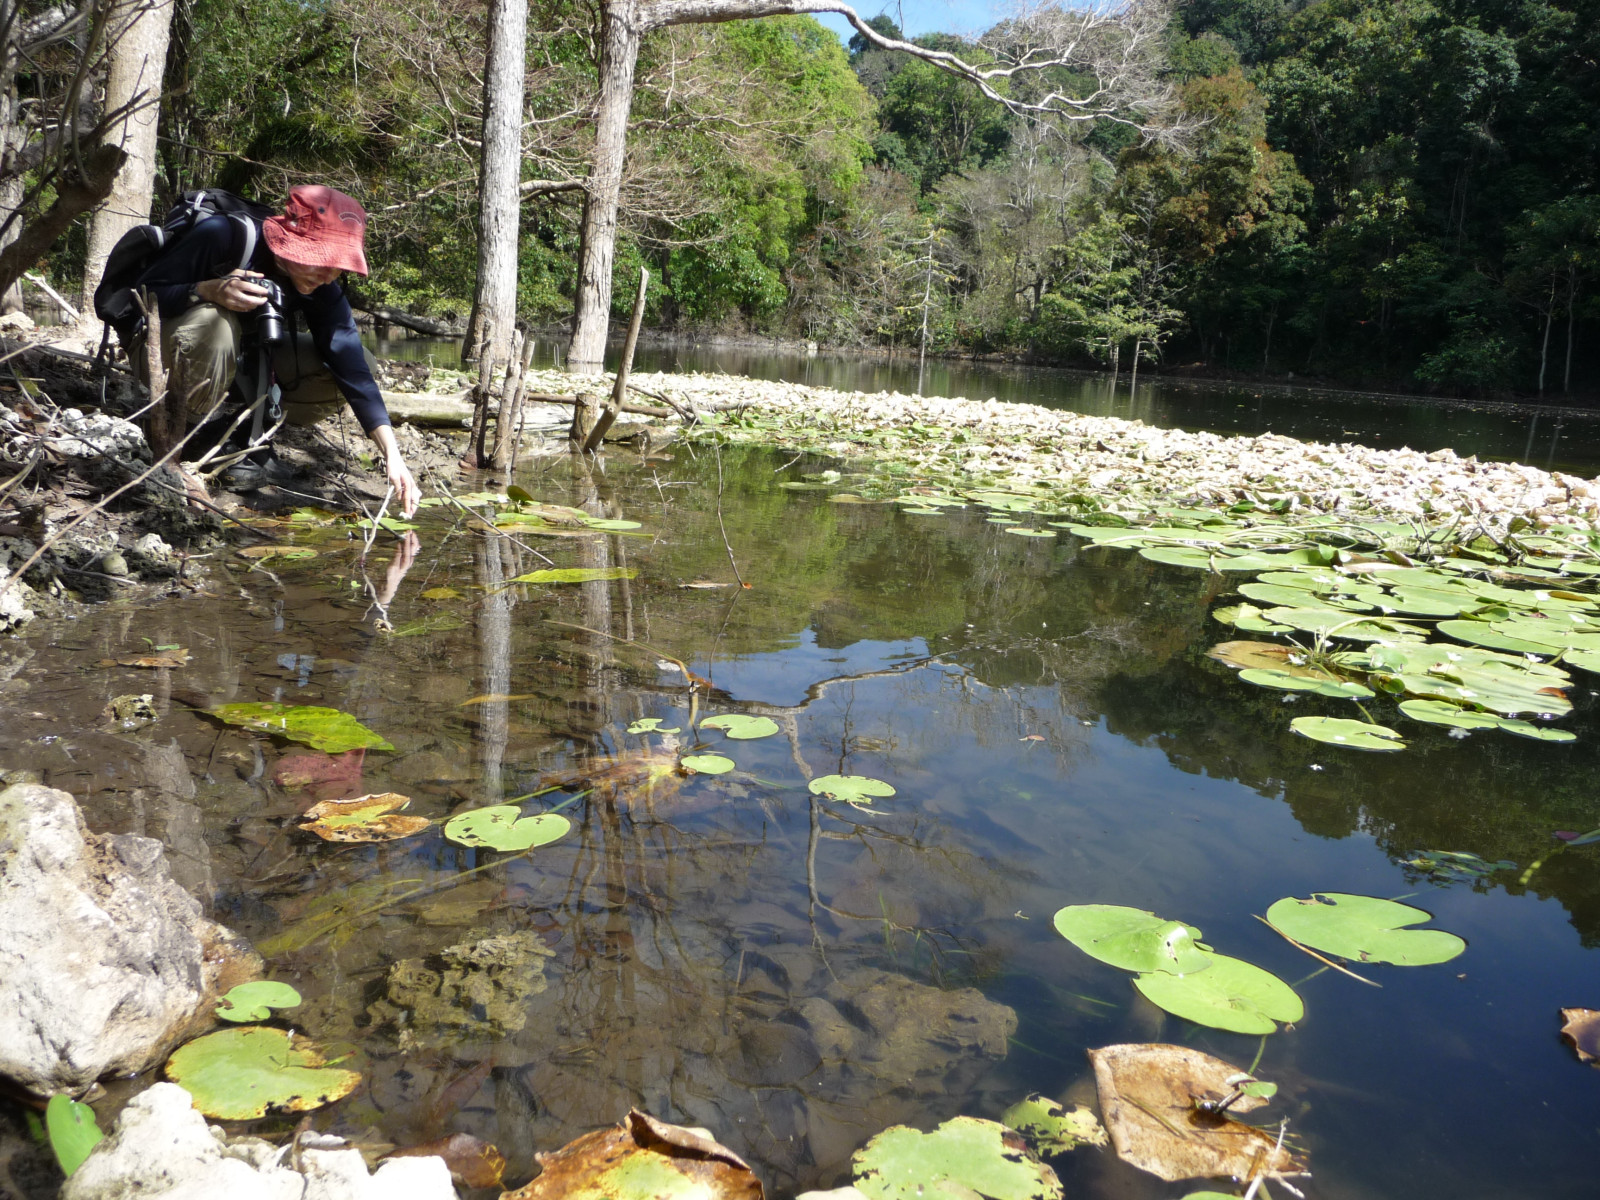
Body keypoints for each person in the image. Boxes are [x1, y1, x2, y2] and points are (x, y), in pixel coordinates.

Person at [133, 184, 420, 516]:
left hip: (238, 367)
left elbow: (352, 365)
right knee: (214, 323)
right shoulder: (224, 235)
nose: (328, 276)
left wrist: (392, 455)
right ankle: (188, 434)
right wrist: (205, 291)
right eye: (320, 260)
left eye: (337, 265)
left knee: (365, 363)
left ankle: (238, 432)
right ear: (290, 241)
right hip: (164, 358)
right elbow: (136, 295)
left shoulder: (321, 283)